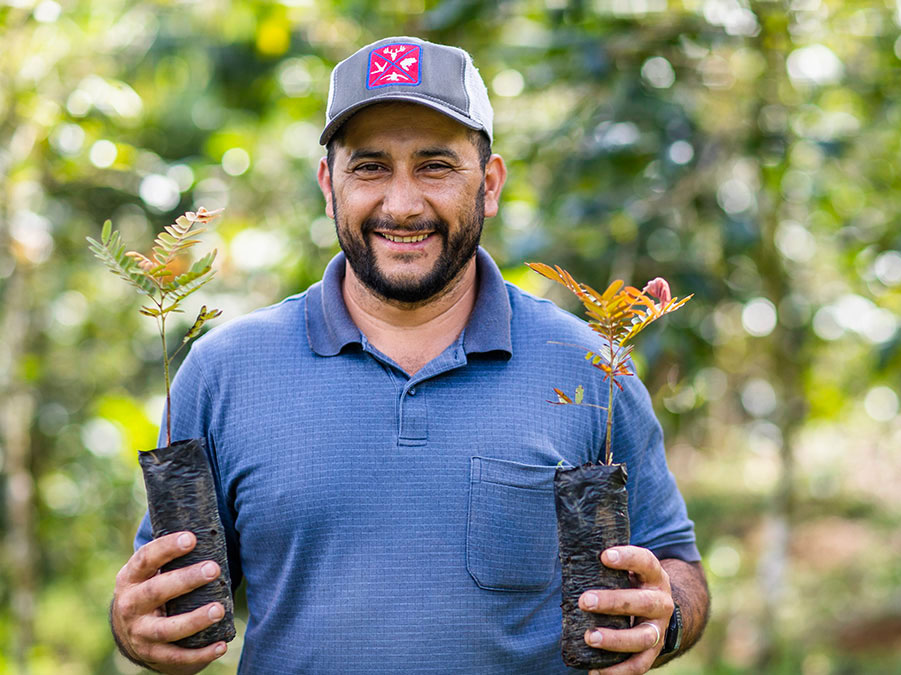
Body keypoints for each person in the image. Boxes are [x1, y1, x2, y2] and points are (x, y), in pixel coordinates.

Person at [108, 36, 708, 674]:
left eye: (435, 166)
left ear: (490, 183)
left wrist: (665, 615)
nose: (401, 204)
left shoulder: (589, 367)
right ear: (328, 185)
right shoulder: (221, 372)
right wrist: (135, 628)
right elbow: (167, 601)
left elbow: (677, 563)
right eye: (369, 167)